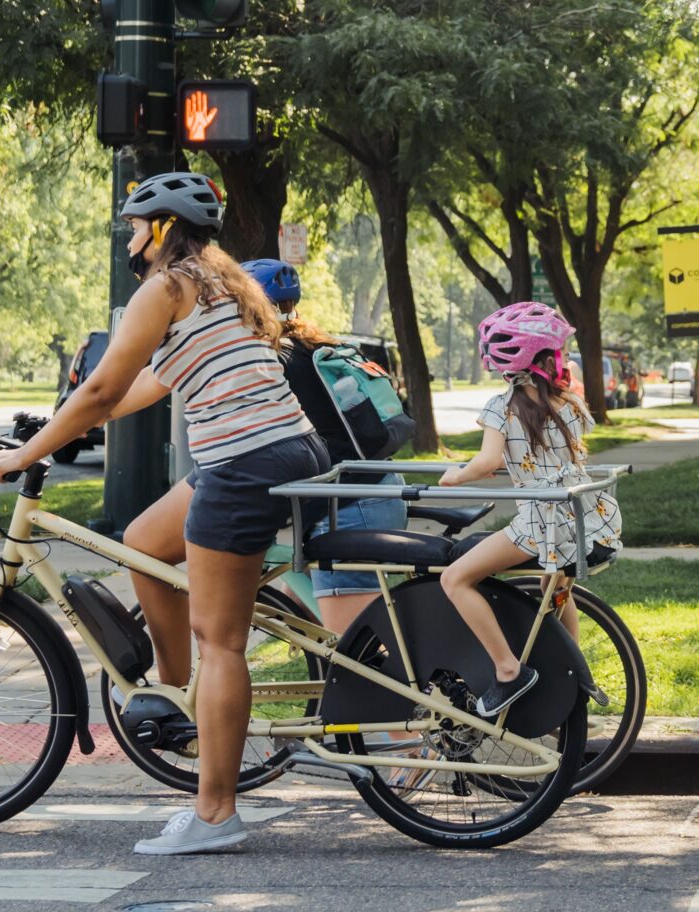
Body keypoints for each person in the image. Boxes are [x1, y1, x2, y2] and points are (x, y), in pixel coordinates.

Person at [0, 172, 327, 857]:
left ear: (163, 229)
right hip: (278, 447)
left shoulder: (166, 288)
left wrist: (28, 453)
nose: (131, 240)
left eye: (137, 227)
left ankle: (216, 812)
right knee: (142, 540)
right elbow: (146, 383)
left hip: (245, 462)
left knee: (221, 641)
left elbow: (104, 386)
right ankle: (173, 695)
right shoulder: (223, 281)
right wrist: (72, 418)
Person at [434, 301, 620, 720]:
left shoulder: (502, 407)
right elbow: (545, 455)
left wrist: (455, 477)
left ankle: (507, 669)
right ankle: (576, 670)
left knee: (455, 578)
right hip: (580, 520)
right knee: (554, 584)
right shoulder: (569, 402)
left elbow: (484, 463)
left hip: (538, 525)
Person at [243, 257, 405, 639]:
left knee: (362, 660)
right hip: (371, 493)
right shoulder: (309, 342)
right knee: (296, 612)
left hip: (347, 508)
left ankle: (419, 694)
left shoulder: (274, 359)